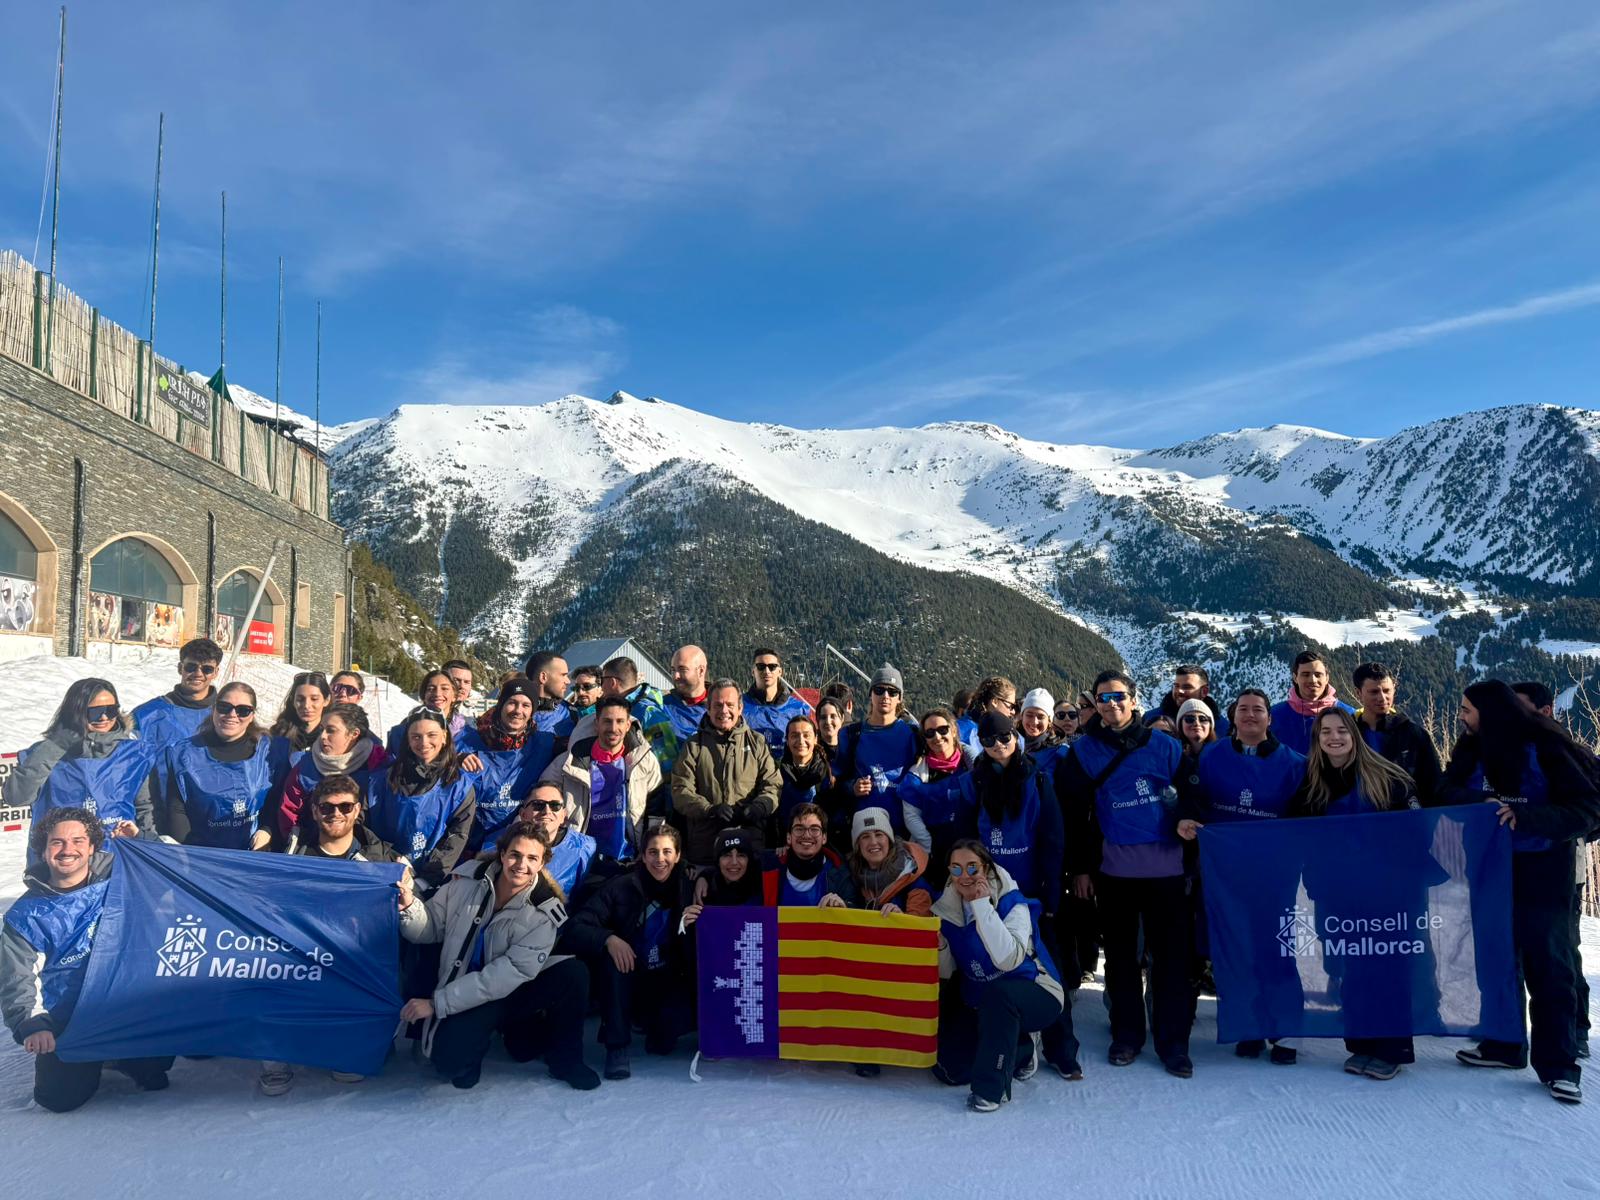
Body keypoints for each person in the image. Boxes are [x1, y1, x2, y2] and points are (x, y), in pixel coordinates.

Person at [1444, 680, 1600, 1103]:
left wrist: (1527, 816)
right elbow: (1443, 789)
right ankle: (1504, 1045)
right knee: (1496, 961)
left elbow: (1587, 810)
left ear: (1491, 711)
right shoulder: (1471, 747)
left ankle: (1559, 1066)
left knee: (1549, 967)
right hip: (1487, 870)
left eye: (1467, 709)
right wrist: (1477, 803)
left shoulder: (1548, 746)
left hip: (1542, 872)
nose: (1462, 716)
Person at [1057, 671, 1194, 1077]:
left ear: (1133, 700)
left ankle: (1173, 1044)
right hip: (1114, 872)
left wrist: (1187, 816)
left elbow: (1192, 792)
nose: (1111, 704)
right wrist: (1080, 868)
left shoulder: (1166, 747)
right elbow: (1073, 815)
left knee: (1171, 961)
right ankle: (1127, 1036)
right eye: (1102, 698)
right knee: (1119, 959)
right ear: (1095, 704)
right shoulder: (1083, 752)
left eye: (1118, 696)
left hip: (1166, 870)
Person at [398, 820, 598, 1091]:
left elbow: (504, 976)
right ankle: (482, 1041)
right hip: (467, 984)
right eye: (515, 854)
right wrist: (409, 906)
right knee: (450, 1066)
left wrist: (437, 1003)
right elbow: (430, 926)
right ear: (502, 854)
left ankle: (566, 1060)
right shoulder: (465, 881)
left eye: (532, 858)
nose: (521, 864)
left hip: (512, 991)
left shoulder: (544, 911)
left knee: (574, 974)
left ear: (542, 863)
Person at [1, 808, 172, 1112]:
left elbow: (181, 868)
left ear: (92, 847)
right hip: (68, 1018)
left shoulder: (121, 878)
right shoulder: (26, 916)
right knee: (58, 1098)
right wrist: (34, 1024)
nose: (68, 850)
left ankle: (121, 1056)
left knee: (156, 1070)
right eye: (57, 843)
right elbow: (18, 978)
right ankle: (89, 1057)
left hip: (123, 1003)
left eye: (78, 841)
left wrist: (143, 841)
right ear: (42, 850)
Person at [1288, 707, 1425, 1081]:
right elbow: (1298, 835)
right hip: (1339, 893)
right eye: (1325, 732)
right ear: (1317, 740)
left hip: (1387, 892)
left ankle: (1393, 1048)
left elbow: (1417, 831)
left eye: (1341, 731)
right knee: (1355, 967)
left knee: (1387, 966)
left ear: (1354, 734)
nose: (1334, 737)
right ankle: (1363, 1043)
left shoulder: (1388, 777)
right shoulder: (1313, 784)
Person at [1177, 688, 1307, 1063]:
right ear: (1232, 718)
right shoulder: (1210, 757)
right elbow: (1192, 800)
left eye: (1258, 710)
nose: (1251, 715)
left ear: (1270, 718)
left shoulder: (1294, 764)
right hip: (1225, 877)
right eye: (1243, 710)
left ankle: (1285, 1031)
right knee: (1237, 951)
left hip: (1275, 877)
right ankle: (1248, 1025)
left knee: (1278, 951)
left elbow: (1306, 820)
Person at [257, 775, 397, 1095]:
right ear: (315, 811)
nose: (336, 813)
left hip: (353, 958)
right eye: (327, 807)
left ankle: (346, 1049)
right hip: (301, 954)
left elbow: (404, 903)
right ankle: (276, 1058)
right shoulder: (293, 853)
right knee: (263, 974)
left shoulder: (378, 857)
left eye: (345, 806)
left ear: (357, 810)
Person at [933, 839, 1073, 1111]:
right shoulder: (946, 910)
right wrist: (940, 947)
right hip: (982, 1003)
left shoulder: (1012, 903)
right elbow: (948, 970)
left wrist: (982, 906)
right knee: (949, 1069)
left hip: (1036, 992)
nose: (965, 876)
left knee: (1000, 994)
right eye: (956, 869)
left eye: (972, 868)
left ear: (986, 868)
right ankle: (1021, 1050)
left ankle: (991, 1091)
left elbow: (1008, 959)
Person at [562, 826, 698, 1080]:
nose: (660, 859)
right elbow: (576, 927)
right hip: (628, 974)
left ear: (678, 856)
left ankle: (650, 1025)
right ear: (643, 856)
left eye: (667, 852)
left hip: (667, 975)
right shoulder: (621, 886)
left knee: (663, 1043)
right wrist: (608, 938)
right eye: (653, 852)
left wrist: (697, 924)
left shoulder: (688, 887)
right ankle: (617, 1045)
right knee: (614, 963)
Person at [1513, 680, 1594, 1060]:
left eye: (1521, 707)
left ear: (1544, 711)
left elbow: (1590, 811)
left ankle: (1576, 1028)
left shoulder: (1567, 751)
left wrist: (1540, 824)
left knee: (1562, 952)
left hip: (1563, 868)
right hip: (1524, 868)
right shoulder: (1509, 750)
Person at [4, 678, 154, 845]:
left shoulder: (134, 753)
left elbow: (144, 808)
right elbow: (16, 797)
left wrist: (149, 844)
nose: (104, 717)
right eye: (94, 712)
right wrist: (56, 746)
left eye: (111, 710)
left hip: (118, 857)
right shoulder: (47, 752)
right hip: (60, 860)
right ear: (76, 711)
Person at [543, 695, 663, 877]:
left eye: (620, 721)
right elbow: (540, 800)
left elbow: (656, 809)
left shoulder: (644, 762)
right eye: (607, 721)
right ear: (596, 723)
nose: (613, 729)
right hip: (580, 860)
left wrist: (650, 849)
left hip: (629, 859)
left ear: (628, 725)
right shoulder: (568, 764)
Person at [160, 683, 282, 850]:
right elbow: (177, 807)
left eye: (243, 710)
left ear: (252, 715)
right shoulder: (183, 754)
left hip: (254, 854)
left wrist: (267, 829)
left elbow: (276, 799)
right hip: (202, 854)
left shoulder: (268, 751)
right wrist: (188, 853)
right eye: (224, 707)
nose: (232, 715)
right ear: (214, 709)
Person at [367, 706, 478, 889]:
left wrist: (425, 881)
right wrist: (389, 861)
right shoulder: (383, 780)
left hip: (432, 883)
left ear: (444, 737)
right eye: (416, 737)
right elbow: (365, 827)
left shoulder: (459, 787)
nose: (424, 743)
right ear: (407, 740)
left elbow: (457, 836)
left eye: (431, 735)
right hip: (386, 874)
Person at [672, 680, 780, 866]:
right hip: (706, 847)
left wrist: (757, 808)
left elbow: (773, 785)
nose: (724, 711)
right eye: (718, 705)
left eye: (730, 705)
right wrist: (708, 809)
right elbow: (680, 790)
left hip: (748, 845)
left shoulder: (757, 743)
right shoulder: (694, 746)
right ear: (708, 707)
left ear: (740, 708)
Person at [455, 677, 558, 857]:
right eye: (512, 703)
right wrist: (454, 760)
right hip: (464, 843)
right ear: (501, 704)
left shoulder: (543, 744)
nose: (518, 711)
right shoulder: (467, 741)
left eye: (526, 705)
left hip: (515, 847)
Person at [269, 701, 388, 846]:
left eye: (331, 730)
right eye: (322, 729)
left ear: (354, 734)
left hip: (367, 854)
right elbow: (289, 815)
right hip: (315, 852)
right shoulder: (305, 768)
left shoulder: (378, 767)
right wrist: (303, 847)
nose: (323, 736)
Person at [833, 665, 920, 838]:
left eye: (892, 692)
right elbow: (835, 783)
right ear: (871, 694)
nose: (885, 696)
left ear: (899, 698)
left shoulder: (914, 734)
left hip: (904, 831)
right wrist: (853, 787)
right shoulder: (851, 735)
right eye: (879, 690)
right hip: (864, 833)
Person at [1349, 662, 1444, 805]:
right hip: (1357, 819)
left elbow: (1434, 784)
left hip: (1404, 819)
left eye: (1387, 691)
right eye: (1374, 692)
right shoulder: (1346, 733)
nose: (1382, 698)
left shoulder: (1413, 735)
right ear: (1358, 693)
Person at [820, 807, 933, 917]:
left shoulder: (913, 881)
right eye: (865, 836)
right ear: (858, 845)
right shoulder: (849, 875)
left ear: (889, 839)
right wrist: (842, 907)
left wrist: (901, 919)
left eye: (879, 834)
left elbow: (920, 932)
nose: (873, 842)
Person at [899, 707, 973, 865]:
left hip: (972, 849)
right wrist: (929, 847)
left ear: (953, 730)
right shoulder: (917, 774)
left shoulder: (972, 765)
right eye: (930, 733)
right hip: (936, 853)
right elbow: (912, 817)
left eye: (942, 730)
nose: (937, 737)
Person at [130, 636, 223, 751]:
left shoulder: (231, 715)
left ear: (215, 672)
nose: (198, 674)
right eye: (191, 667)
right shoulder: (147, 715)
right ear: (180, 668)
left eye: (207, 669)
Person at [514, 784, 597, 896]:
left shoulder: (586, 848)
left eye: (555, 805)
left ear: (563, 815)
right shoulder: (496, 845)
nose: (547, 811)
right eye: (538, 805)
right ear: (523, 814)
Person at [1269, 650, 1353, 756]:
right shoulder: (1274, 716)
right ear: (1295, 678)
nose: (1312, 680)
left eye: (1318, 675)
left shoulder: (1349, 715)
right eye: (1305, 674)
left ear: (1327, 678)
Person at [759, 803, 841, 906]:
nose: (806, 835)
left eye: (814, 829)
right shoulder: (767, 867)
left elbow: (853, 907)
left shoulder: (839, 873)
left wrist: (844, 907)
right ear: (789, 837)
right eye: (799, 829)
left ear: (824, 837)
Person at [773, 714, 835, 847]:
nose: (801, 741)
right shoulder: (777, 771)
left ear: (815, 739)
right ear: (787, 740)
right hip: (785, 844)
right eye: (795, 736)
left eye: (806, 735)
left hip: (821, 844)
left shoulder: (827, 772)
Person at [742, 648, 814, 756]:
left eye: (772, 667)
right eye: (761, 667)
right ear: (753, 671)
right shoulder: (738, 706)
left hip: (786, 771)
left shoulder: (799, 709)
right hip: (749, 770)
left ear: (780, 672)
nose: (767, 671)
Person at [661, 644, 711, 776]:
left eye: (682, 669)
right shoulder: (662, 707)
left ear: (701, 671)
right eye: (673, 670)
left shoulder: (722, 709)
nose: (676, 676)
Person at [385, 671, 466, 752]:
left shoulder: (467, 735)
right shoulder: (402, 731)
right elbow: (391, 761)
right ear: (424, 695)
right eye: (431, 689)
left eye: (444, 688)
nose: (437, 694)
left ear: (454, 696)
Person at [1144, 665, 1230, 738]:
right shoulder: (1150, 718)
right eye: (1176, 686)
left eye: (1187, 687)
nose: (1180, 691)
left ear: (1204, 691)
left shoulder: (1222, 727)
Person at [693, 827, 763, 907]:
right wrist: (685, 918)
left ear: (749, 860)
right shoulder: (707, 887)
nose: (734, 862)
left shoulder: (764, 885)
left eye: (741, 855)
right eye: (727, 855)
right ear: (718, 861)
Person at [268, 671, 330, 756]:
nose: (306, 705)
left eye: (314, 699)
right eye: (300, 699)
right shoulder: (278, 734)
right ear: (292, 701)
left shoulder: (332, 736)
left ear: (326, 700)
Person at [961, 677, 1021, 755]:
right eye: (1010, 706)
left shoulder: (965, 725)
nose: (1012, 711)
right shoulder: (971, 734)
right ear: (995, 702)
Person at [524, 650, 574, 741]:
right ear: (543, 677)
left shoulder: (572, 714)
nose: (568, 681)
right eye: (563, 675)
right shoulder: (510, 713)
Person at [815, 695, 848, 765]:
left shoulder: (851, 749)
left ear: (842, 718)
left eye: (833, 716)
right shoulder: (811, 751)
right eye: (823, 717)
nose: (828, 722)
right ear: (818, 721)